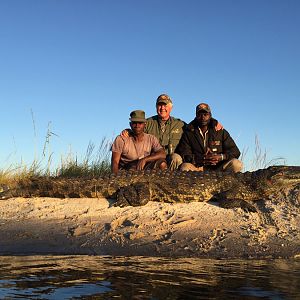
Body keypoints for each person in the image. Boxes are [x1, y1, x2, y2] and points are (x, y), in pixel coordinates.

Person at [121, 94, 186, 170]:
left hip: (172, 161)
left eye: (165, 105)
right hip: (153, 159)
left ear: (171, 107)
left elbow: (193, 130)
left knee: (176, 158)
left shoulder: (180, 124)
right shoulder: (148, 123)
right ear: (156, 107)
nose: (162, 108)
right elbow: (137, 131)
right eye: (159, 105)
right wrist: (128, 131)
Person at [175, 103, 243, 172]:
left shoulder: (220, 131)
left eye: (205, 114)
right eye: (199, 114)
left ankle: (228, 182)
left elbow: (235, 152)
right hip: (198, 168)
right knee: (185, 167)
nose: (202, 117)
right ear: (196, 116)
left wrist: (221, 157)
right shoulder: (189, 132)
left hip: (218, 168)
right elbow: (184, 154)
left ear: (210, 115)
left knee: (236, 164)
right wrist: (201, 159)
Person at [111, 110, 167, 174]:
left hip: (144, 166)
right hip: (126, 170)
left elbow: (162, 154)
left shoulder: (151, 138)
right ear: (130, 124)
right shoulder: (121, 139)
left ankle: (161, 183)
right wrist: (115, 176)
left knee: (162, 164)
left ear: (145, 124)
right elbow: (115, 161)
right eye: (134, 123)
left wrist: (145, 159)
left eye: (140, 123)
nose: (137, 125)